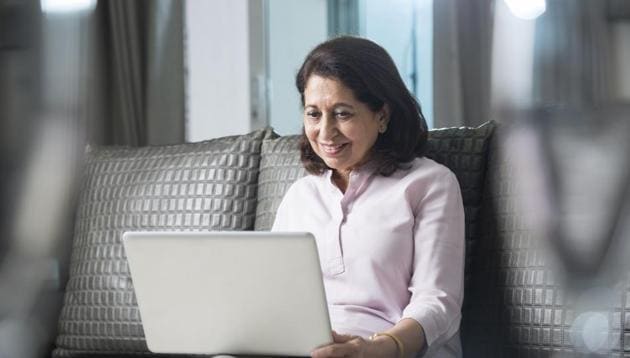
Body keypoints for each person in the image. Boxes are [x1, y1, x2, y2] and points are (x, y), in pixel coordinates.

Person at [272, 36, 465, 358]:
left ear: (382, 115)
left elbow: (438, 300)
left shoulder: (429, 183)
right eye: (313, 114)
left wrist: (382, 347)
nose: (325, 132)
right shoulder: (300, 195)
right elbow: (272, 294)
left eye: (343, 114)